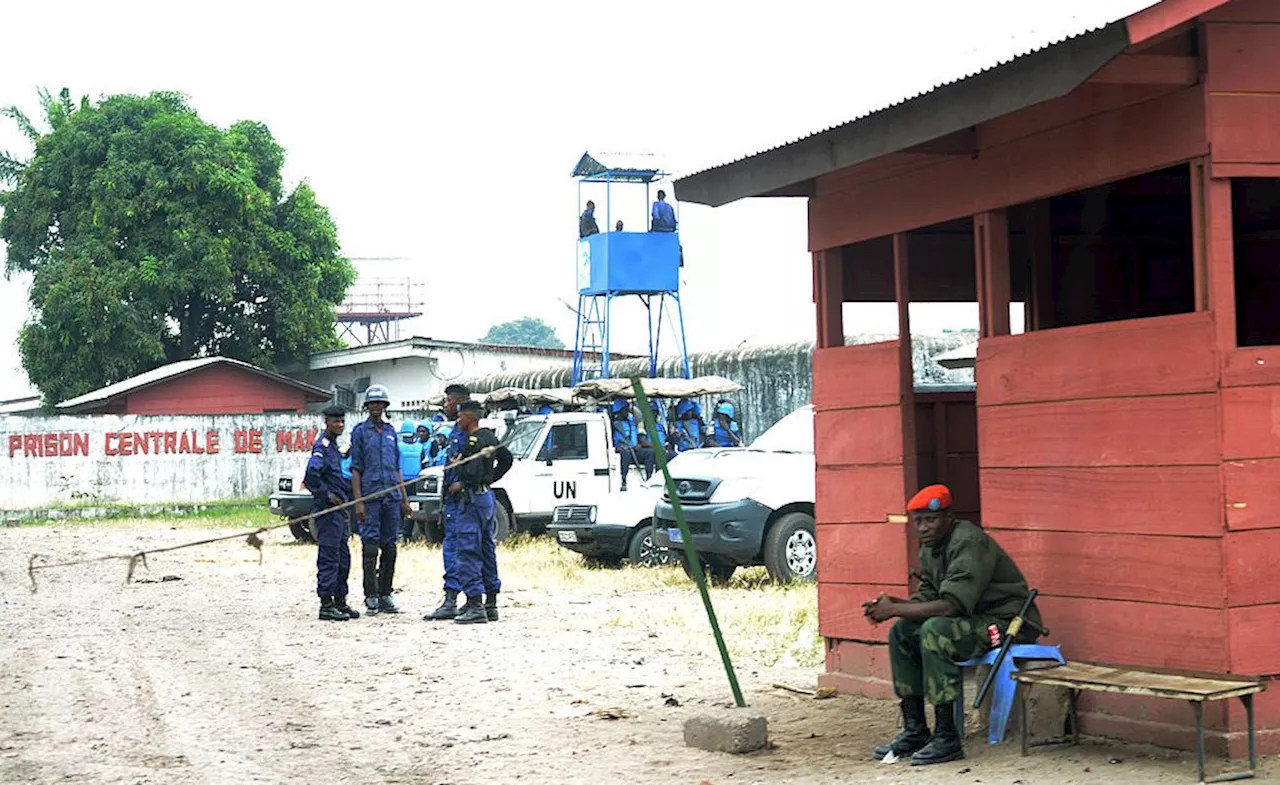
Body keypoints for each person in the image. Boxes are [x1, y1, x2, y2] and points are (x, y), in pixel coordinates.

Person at [863, 484, 1043, 767]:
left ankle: (947, 737)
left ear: (949, 517)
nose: (923, 528)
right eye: (918, 521)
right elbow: (930, 595)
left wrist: (895, 609)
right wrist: (893, 604)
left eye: (930, 520)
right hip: (972, 619)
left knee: (935, 631)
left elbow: (950, 606)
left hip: (1006, 623)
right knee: (902, 631)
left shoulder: (968, 542)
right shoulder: (932, 546)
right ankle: (916, 731)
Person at [446, 400, 514, 624]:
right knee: (486, 548)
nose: (458, 420)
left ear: (470, 417)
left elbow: (473, 471)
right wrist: (490, 479)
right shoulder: (489, 437)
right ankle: (490, 604)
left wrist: (461, 481)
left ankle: (475, 603)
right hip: (486, 497)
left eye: (461, 416)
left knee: (468, 549)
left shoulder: (474, 440)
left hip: (473, 499)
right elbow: (506, 459)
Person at [349, 384, 413, 616]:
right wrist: (358, 502)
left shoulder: (390, 432)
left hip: (392, 498)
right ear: (367, 407)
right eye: (372, 404)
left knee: (390, 547)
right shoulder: (359, 432)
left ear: (385, 406)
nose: (376, 407)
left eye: (380, 403)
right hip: (370, 498)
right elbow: (356, 469)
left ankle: (386, 593)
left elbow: (397, 468)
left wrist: (404, 499)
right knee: (370, 548)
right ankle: (371, 595)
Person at [306, 405, 359, 621]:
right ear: (326, 422)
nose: (339, 425)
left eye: (342, 422)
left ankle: (340, 600)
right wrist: (327, 496)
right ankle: (326, 605)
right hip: (327, 511)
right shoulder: (323, 446)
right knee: (329, 557)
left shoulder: (334, 447)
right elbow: (311, 475)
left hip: (338, 511)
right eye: (335, 421)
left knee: (343, 557)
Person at [425, 383, 472, 620]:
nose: (446, 405)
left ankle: (454, 599)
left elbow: (477, 466)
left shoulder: (469, 431)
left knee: (457, 549)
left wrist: (462, 484)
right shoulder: (455, 429)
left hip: (463, 501)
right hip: (452, 502)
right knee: (455, 548)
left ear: (460, 401)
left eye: (449, 400)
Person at [609, 399, 653, 491]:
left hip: (635, 450)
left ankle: (649, 478)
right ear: (619, 411)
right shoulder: (613, 424)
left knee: (649, 452)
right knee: (625, 453)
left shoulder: (631, 422)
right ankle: (623, 480)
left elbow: (638, 434)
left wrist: (639, 445)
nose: (627, 412)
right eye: (625, 410)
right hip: (623, 450)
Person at [397, 421, 426, 540]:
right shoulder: (420, 447)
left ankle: (401, 534)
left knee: (402, 508)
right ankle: (406, 535)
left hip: (401, 483)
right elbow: (425, 464)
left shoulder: (397, 446)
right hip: (414, 483)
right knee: (411, 508)